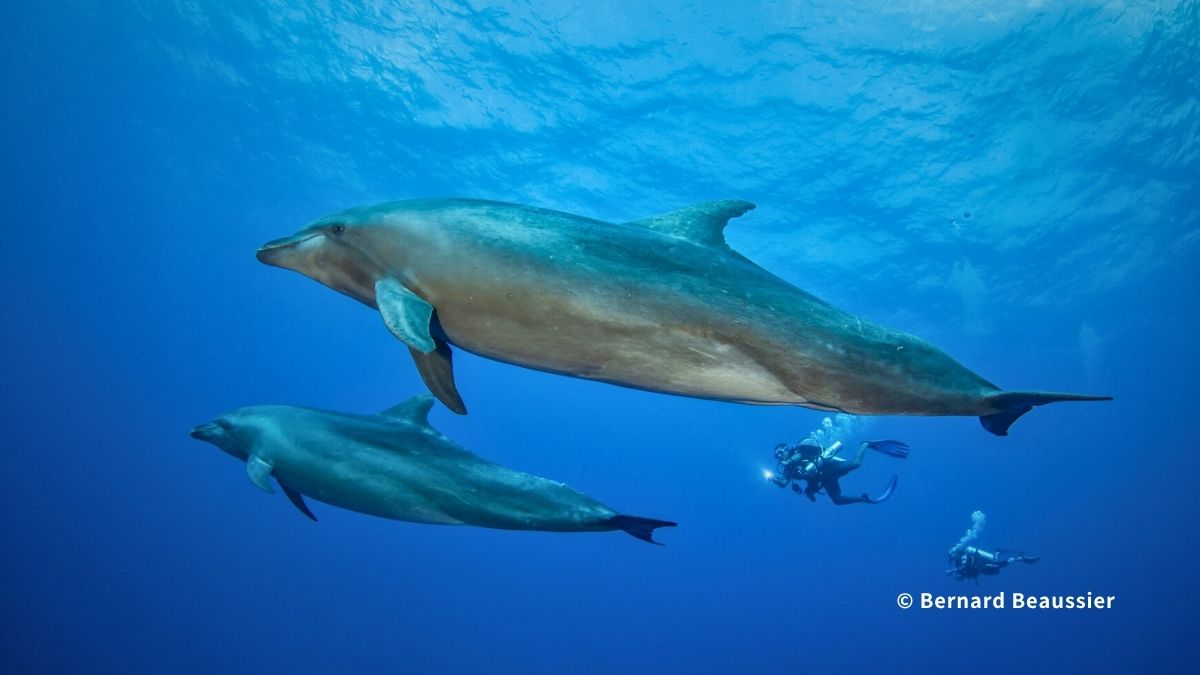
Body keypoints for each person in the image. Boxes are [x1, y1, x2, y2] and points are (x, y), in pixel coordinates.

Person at [767, 437, 910, 505]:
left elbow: (798, 456)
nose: (779, 457)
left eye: (780, 453)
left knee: (856, 464)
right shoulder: (787, 469)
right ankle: (864, 499)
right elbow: (784, 483)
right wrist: (774, 479)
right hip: (824, 479)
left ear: (786, 449)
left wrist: (790, 460)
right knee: (837, 500)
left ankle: (865, 444)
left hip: (828, 467)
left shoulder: (799, 450)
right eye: (777, 456)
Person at [946, 544, 1040, 581]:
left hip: (982, 566)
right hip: (982, 569)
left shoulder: (964, 557)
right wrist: (960, 576)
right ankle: (997, 552)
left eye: (953, 555)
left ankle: (1019, 558)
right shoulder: (958, 561)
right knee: (996, 563)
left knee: (999, 565)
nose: (952, 557)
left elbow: (964, 567)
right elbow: (965, 570)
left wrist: (952, 571)